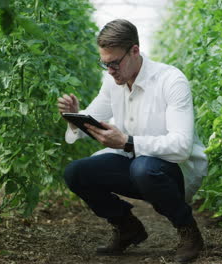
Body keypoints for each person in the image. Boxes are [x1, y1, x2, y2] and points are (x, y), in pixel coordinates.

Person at [57, 19, 208, 263]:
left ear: (135, 51)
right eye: (104, 64)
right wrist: (75, 118)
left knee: (144, 168)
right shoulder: (112, 82)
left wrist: (127, 142)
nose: (110, 71)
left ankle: (188, 231)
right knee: (76, 173)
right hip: (137, 165)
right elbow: (92, 120)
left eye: (114, 63)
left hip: (174, 172)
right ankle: (127, 227)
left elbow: (181, 147)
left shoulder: (171, 80)